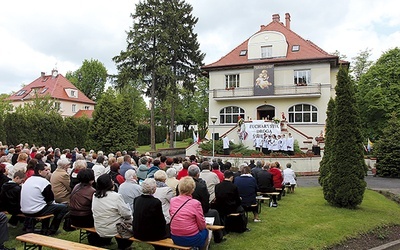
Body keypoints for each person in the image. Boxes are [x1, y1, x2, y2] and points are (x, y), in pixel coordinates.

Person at [20, 162, 68, 235]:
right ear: (39, 171)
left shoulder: (28, 180)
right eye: (45, 170)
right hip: (36, 210)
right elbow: (50, 199)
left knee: (48, 206)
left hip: (24, 209)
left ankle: (44, 228)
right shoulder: (44, 182)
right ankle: (52, 230)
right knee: (63, 208)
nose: (48, 172)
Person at [182, 165, 224, 243]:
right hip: (199, 212)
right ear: (198, 174)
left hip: (185, 211)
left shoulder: (181, 185)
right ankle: (218, 237)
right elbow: (205, 205)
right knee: (214, 212)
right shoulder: (201, 187)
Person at [92, 174, 133, 250]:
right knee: (131, 221)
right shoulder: (116, 196)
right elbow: (126, 214)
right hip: (113, 229)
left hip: (100, 227)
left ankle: (111, 242)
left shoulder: (95, 195)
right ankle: (124, 245)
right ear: (108, 184)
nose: (113, 182)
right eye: (111, 181)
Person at [169, 176, 210, 250]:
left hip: (175, 236)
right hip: (191, 237)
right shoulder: (195, 203)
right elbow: (201, 224)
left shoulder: (173, 200)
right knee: (205, 231)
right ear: (192, 189)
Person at [69, 168, 102, 245]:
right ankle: (98, 240)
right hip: (85, 220)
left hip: (73, 217)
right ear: (91, 178)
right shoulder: (92, 191)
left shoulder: (76, 186)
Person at [133, 178, 168, 250]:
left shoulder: (137, 199)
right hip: (150, 235)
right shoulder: (156, 202)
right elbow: (161, 221)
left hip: (137, 232)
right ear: (154, 189)